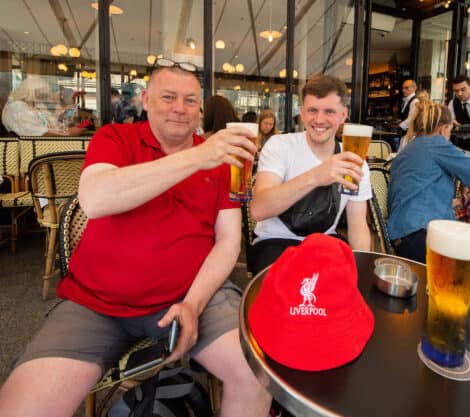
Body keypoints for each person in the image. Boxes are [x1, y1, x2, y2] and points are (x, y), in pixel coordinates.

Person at [0, 63, 271, 417]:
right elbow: (95, 199)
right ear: (145, 100)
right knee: (23, 408)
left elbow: (228, 242)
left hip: (193, 296)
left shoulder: (223, 163)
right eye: (168, 97)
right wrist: (197, 157)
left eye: (190, 100)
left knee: (258, 375)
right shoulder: (115, 138)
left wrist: (192, 304)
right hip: (96, 304)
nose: (180, 107)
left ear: (200, 109)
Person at [248, 74, 372, 275]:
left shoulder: (355, 161)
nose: (319, 120)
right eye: (312, 110)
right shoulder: (280, 145)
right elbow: (259, 209)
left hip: (325, 244)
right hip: (275, 243)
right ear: (303, 113)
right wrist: (316, 176)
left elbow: (358, 226)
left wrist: (361, 274)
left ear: (343, 115)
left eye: (329, 111)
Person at [387, 101, 470, 263]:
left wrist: (461, 180)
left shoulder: (410, 147)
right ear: (443, 128)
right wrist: (464, 179)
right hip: (423, 235)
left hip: (402, 234)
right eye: (450, 130)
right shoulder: (436, 143)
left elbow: (421, 188)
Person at [2, 75, 86, 136]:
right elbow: (34, 131)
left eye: (44, 95)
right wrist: (68, 133)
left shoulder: (34, 105)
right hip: (33, 151)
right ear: (30, 91)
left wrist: (68, 126)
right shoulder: (17, 106)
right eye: (41, 95)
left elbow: (53, 124)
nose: (44, 98)